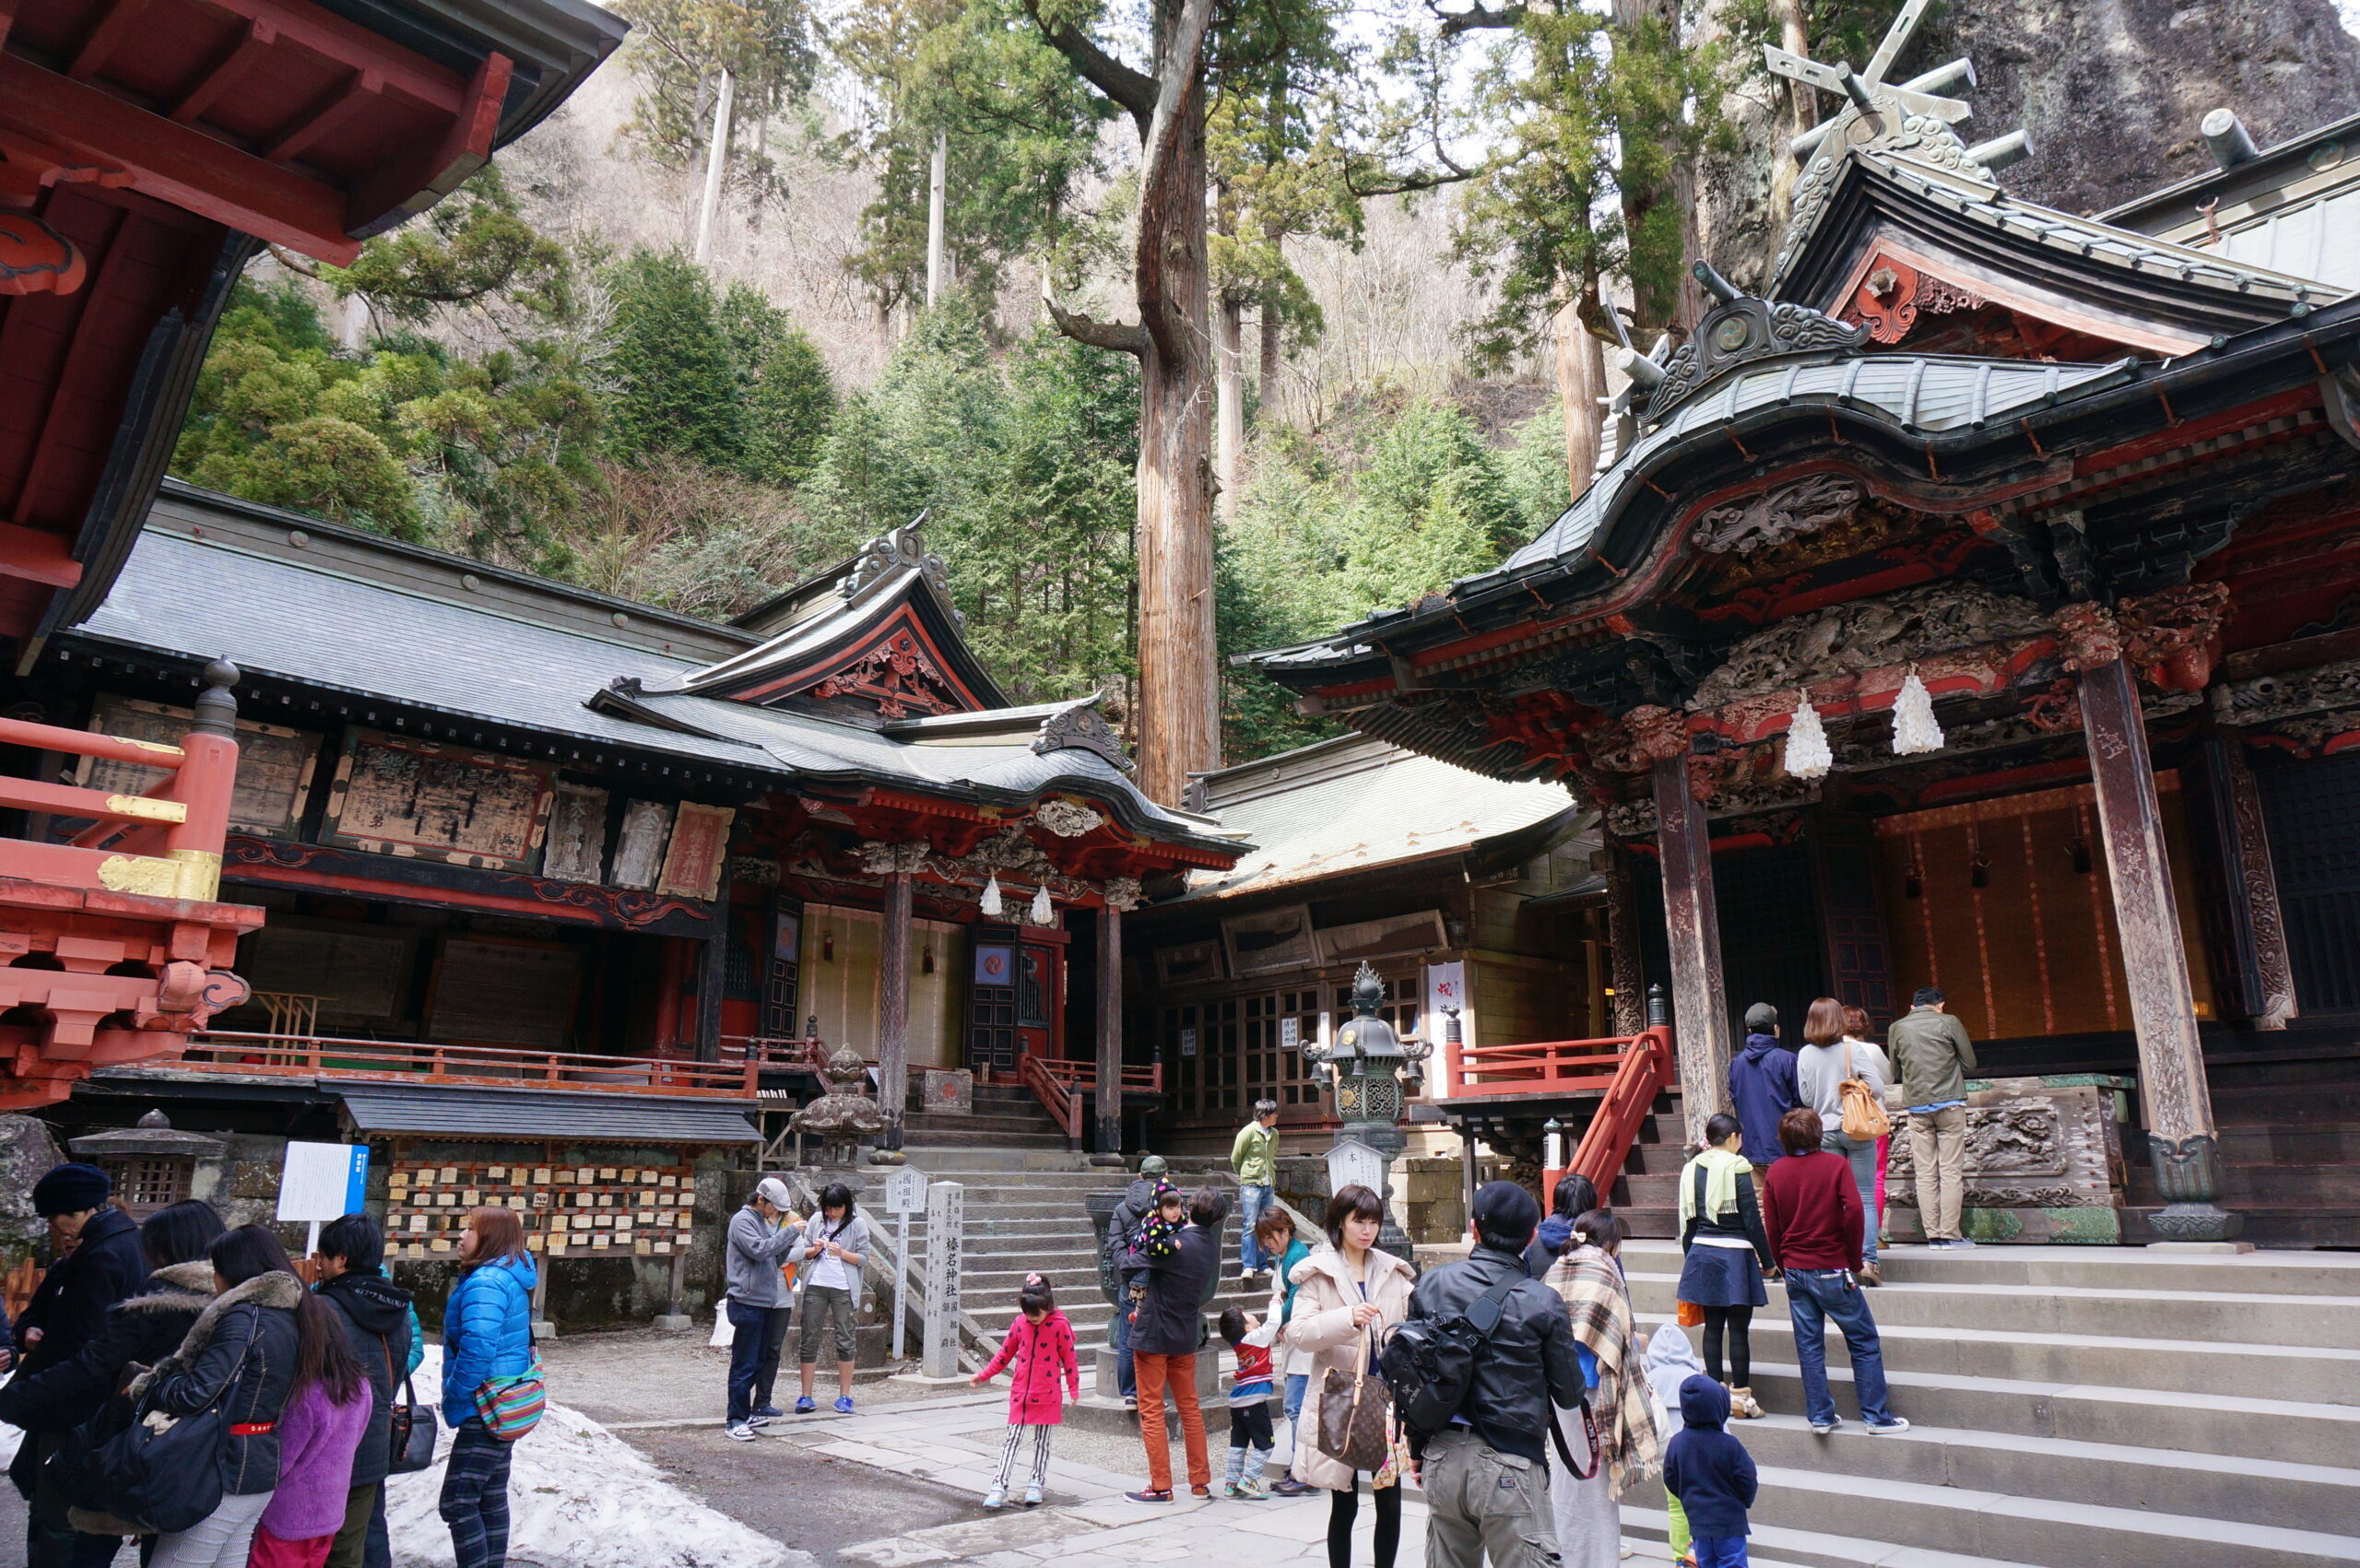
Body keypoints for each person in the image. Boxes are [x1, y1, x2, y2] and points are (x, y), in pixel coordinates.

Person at [1407, 1181, 1586, 1568]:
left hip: (1442, 1453)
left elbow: (1414, 1373)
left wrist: (1417, 1446)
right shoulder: (1541, 1300)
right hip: (1511, 1461)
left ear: (1475, 1228)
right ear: (1532, 1236)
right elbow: (1570, 1393)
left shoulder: (1431, 1284)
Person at [134, 1224, 306, 1568]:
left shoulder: (244, 1316)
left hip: (222, 1471)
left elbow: (197, 1393)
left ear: (236, 1269)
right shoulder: (290, 1315)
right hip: (258, 1464)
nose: (213, 1279)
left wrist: (149, 1385)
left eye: (216, 1269)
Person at [6, 1161, 148, 1568]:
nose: (55, 1228)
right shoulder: (114, 1247)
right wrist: (28, 1334)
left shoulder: (101, 1255)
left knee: (59, 1517)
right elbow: (44, 1318)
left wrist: (19, 1395)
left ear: (79, 1210)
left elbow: (84, 1348)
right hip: (81, 1403)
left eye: (56, 1217)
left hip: (77, 1408)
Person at [1759, 1108, 1910, 1438]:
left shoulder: (1776, 1172)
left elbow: (1772, 1226)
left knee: (1809, 1345)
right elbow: (1855, 1209)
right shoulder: (1835, 1165)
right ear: (1817, 1136)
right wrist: (1855, 1257)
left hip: (1796, 1267)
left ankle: (1820, 1415)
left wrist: (1783, 1264)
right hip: (1831, 1264)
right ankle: (1876, 1416)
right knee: (1864, 1340)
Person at [1290, 1185, 1416, 1566]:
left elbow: (1416, 1322)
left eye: (1373, 1221)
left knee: (1390, 1501)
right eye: (1359, 1221)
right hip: (1340, 1398)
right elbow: (1300, 1333)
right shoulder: (1319, 1273)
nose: (1367, 1230)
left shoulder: (1393, 1270)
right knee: (1343, 1503)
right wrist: (1348, 1319)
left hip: (1386, 1401)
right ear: (1340, 1222)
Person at [249, 1249, 374, 1568]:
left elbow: (282, 1459)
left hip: (289, 1515)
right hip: (330, 1510)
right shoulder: (359, 1384)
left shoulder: (306, 1393)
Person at [1548, 1209, 1658, 1568]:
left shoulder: (1559, 1266)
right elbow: (1616, 1335)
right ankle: (1595, 1559)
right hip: (1593, 1393)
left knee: (1567, 1478)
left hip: (1559, 1390)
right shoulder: (1604, 1270)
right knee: (1595, 1486)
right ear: (1610, 1243)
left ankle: (1566, 1553)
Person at [313, 1211, 421, 1568]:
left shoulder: (322, 1309)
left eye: (322, 1257)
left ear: (341, 1259)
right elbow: (401, 1363)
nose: (317, 1266)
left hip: (324, 1446)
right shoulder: (399, 1308)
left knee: (325, 1542)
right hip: (374, 1439)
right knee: (366, 1530)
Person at [439, 1207, 537, 1568]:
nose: (460, 1236)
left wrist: (456, 1392)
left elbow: (478, 1347)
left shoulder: (487, 1282)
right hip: (504, 1396)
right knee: (490, 1495)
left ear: (490, 1237)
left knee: (458, 1501)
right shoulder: (508, 1275)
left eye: (469, 1228)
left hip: (486, 1400)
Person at [1123, 1186, 1222, 1503]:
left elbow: (1128, 1264)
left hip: (1154, 1333)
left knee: (1151, 1409)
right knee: (1189, 1408)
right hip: (1184, 1334)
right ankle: (1199, 1482)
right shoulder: (1208, 1246)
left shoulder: (1175, 1243)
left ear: (1190, 1208)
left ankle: (1161, 1485)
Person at [1674, 1114, 1773, 1421]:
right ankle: (1741, 1398)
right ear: (1732, 1137)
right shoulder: (1738, 1167)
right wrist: (1768, 1262)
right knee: (1739, 1330)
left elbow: (1688, 1222)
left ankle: (1714, 1397)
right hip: (1737, 1256)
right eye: (1739, 1138)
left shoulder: (1692, 1169)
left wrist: (1691, 1258)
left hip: (1702, 1253)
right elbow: (1752, 1221)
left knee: (1713, 1328)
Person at [1792, 997, 1892, 1286]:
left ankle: (1838, 1259)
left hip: (1824, 1130)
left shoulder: (1805, 1054)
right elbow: (1878, 1087)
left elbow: (1806, 1098)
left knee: (1834, 1199)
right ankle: (1868, 1260)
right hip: (1856, 1129)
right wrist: (1853, 1088)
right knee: (1864, 1196)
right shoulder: (1852, 1049)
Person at [970, 1274, 1079, 1510]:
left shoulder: (1061, 1325)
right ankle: (999, 1484)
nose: (1032, 1318)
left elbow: (1070, 1357)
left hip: (1048, 1392)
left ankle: (1036, 1482)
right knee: (1012, 1438)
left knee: (1042, 1441)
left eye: (1036, 1313)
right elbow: (1003, 1355)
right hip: (1021, 1391)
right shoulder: (1019, 1324)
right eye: (1028, 1313)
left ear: (1047, 1306)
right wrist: (984, 1375)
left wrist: (1074, 1388)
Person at [1888, 986, 1978, 1248]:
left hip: (1917, 1106)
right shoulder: (1948, 1021)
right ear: (1941, 1005)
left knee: (1925, 1173)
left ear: (1912, 1006)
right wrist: (1950, 1072)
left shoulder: (1897, 1027)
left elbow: (1895, 1069)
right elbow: (1969, 1063)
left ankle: (1933, 1235)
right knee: (1950, 1171)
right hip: (1950, 1103)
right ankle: (1950, 1234)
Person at [725, 1177, 805, 1439]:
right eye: (775, 1208)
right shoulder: (743, 1220)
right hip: (747, 1302)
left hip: (763, 1302)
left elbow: (773, 1255)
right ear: (762, 1200)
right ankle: (735, 1420)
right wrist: (790, 1232)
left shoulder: (759, 1222)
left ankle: (746, 1413)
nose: (777, 1214)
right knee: (744, 1363)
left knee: (757, 1361)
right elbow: (759, 1251)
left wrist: (788, 1242)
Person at [1662, 1377, 1756, 1568]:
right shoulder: (1730, 1444)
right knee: (1732, 1562)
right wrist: (1743, 1501)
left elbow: (1670, 1478)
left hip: (1698, 1521)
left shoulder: (1677, 1443)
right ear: (1719, 1408)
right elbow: (1748, 1478)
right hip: (1730, 1521)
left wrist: (1688, 1497)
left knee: (1705, 1562)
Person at [789, 1183, 867, 1414]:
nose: (832, 1213)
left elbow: (863, 1258)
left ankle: (845, 1396)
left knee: (845, 1338)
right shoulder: (816, 1220)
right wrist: (815, 1249)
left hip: (843, 1286)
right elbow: (804, 1252)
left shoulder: (857, 1224)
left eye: (836, 1208)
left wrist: (841, 1253)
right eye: (828, 1208)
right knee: (809, 1337)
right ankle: (806, 1396)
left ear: (846, 1206)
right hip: (816, 1284)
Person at [1257, 1208, 1319, 1496]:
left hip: (1303, 1344)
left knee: (1298, 1408)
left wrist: (1272, 1324)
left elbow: (1297, 1299)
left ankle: (1302, 1471)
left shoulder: (1298, 1255)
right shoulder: (1286, 1254)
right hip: (1294, 1340)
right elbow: (1285, 1296)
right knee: (1299, 1409)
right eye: (1265, 1238)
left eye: (1271, 1236)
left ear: (1285, 1231)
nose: (1268, 1243)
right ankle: (1301, 1467)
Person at [1106, 1154, 1169, 1408]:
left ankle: (1130, 1392)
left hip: (1131, 1281)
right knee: (1156, 1337)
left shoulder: (1121, 1208)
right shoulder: (1168, 1205)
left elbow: (1115, 1243)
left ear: (1140, 1176)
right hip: (1160, 1279)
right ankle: (1153, 1394)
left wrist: (1128, 1266)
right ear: (1164, 1177)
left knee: (1128, 1335)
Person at [1642, 1326, 1706, 1568]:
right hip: (1698, 1451)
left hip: (1667, 1453)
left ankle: (1680, 1556)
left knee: (1676, 1506)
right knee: (1701, 1503)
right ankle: (1699, 1548)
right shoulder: (1696, 1381)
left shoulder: (1649, 1380)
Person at [1727, 1005, 1800, 1173]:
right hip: (1785, 1146)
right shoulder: (1787, 1060)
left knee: (1759, 1199)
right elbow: (1799, 1101)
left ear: (1749, 1030)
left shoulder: (1736, 1064)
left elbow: (1735, 1099)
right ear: (1776, 1029)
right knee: (1787, 1198)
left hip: (1751, 1148)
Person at [1217, 1304, 1280, 1499]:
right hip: (1253, 1401)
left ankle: (1231, 1483)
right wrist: (1276, 1301)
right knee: (1266, 1444)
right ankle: (1249, 1479)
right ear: (1247, 1328)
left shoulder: (1240, 1343)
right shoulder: (1254, 1338)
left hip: (1238, 1401)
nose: (1253, 1316)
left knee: (1238, 1444)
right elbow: (1274, 1322)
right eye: (1248, 1316)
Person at [1231, 1101, 1280, 1279]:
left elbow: (1272, 1154)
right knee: (1251, 1225)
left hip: (1268, 1184)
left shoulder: (1274, 1134)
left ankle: (1263, 1263)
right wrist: (1245, 1175)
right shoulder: (1248, 1132)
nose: (1276, 1116)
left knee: (1265, 1225)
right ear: (1265, 1115)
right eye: (1274, 1113)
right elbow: (1236, 1158)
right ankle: (1248, 1265)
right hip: (1251, 1184)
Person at [1524, 1171, 1599, 1279]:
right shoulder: (1600, 1240)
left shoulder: (1535, 1244)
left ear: (1556, 1200)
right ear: (1592, 1201)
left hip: (1542, 1296)